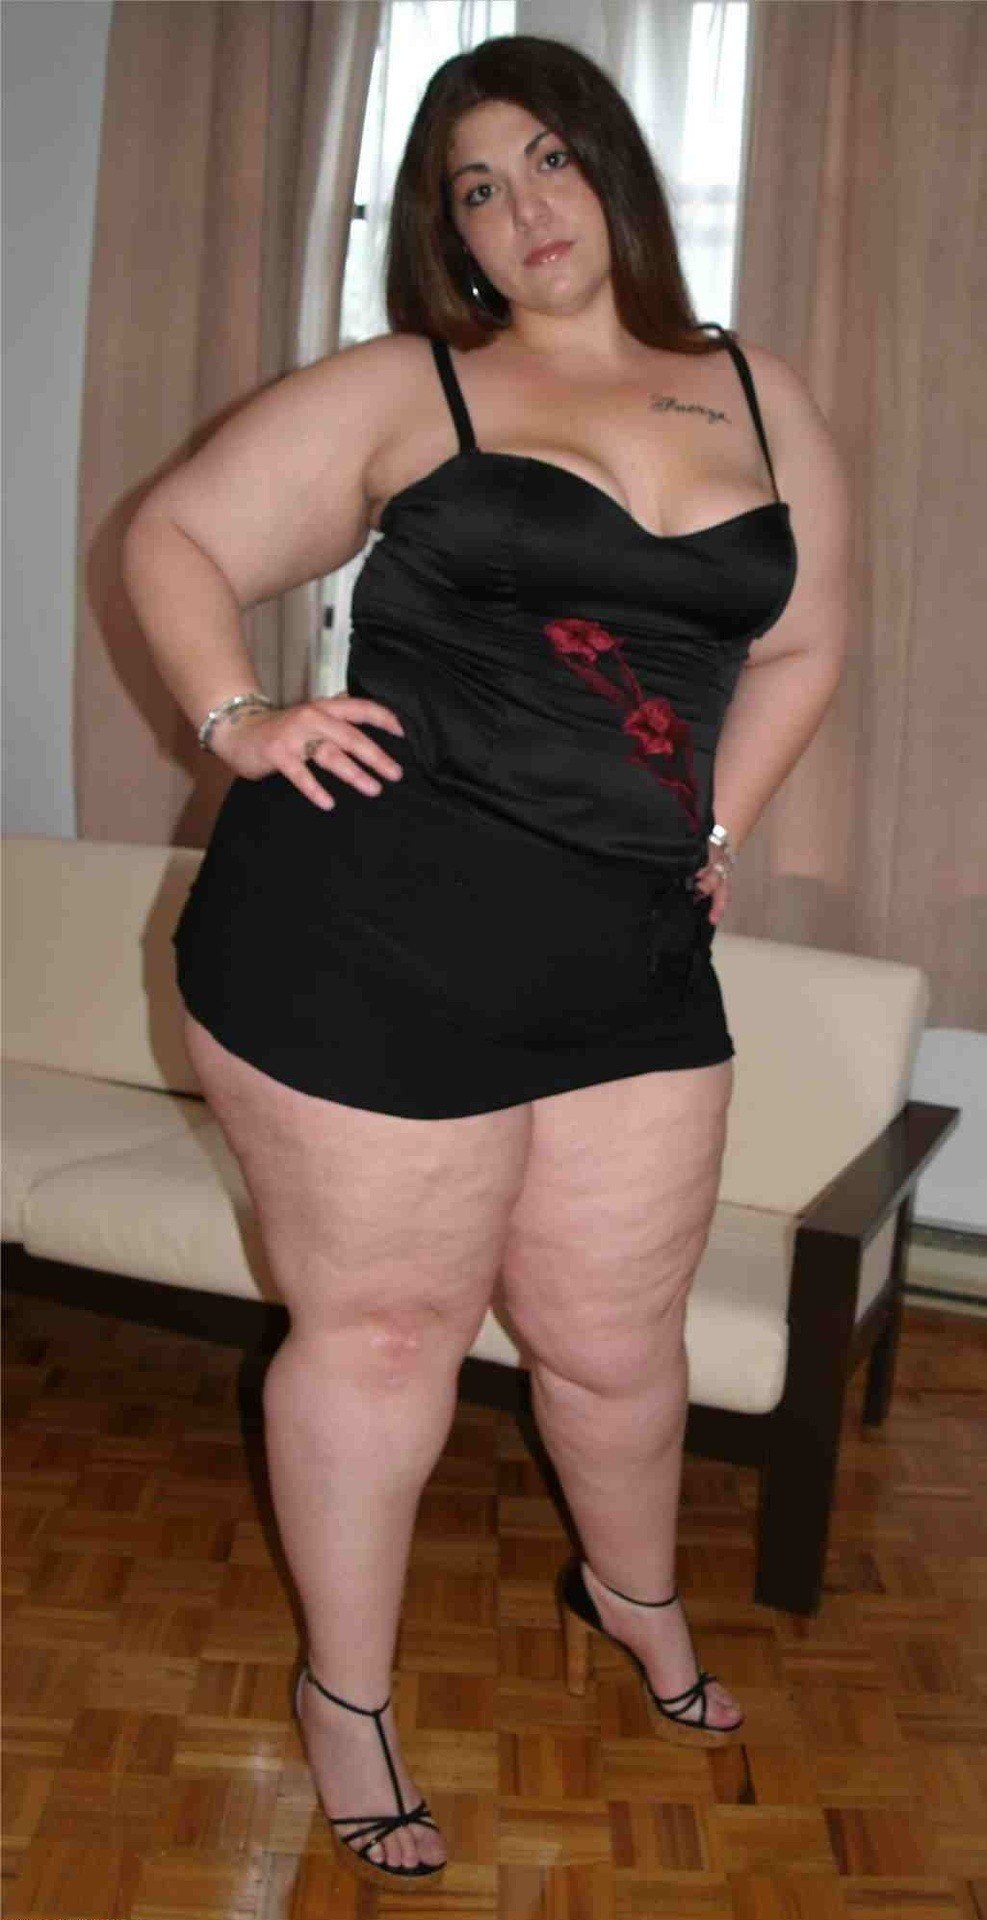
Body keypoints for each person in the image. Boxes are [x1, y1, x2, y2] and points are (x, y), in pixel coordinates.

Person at [122, 34, 848, 1891]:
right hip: (367, 931)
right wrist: (238, 719)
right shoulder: (412, 386)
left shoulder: (755, 388)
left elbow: (802, 643)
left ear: (615, 168)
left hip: (627, 945)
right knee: (386, 1337)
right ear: (445, 230)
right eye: (474, 185)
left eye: (550, 159)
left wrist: (710, 828)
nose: (524, 208)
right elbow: (179, 533)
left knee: (614, 1344)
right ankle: (344, 1700)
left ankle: (633, 1594)